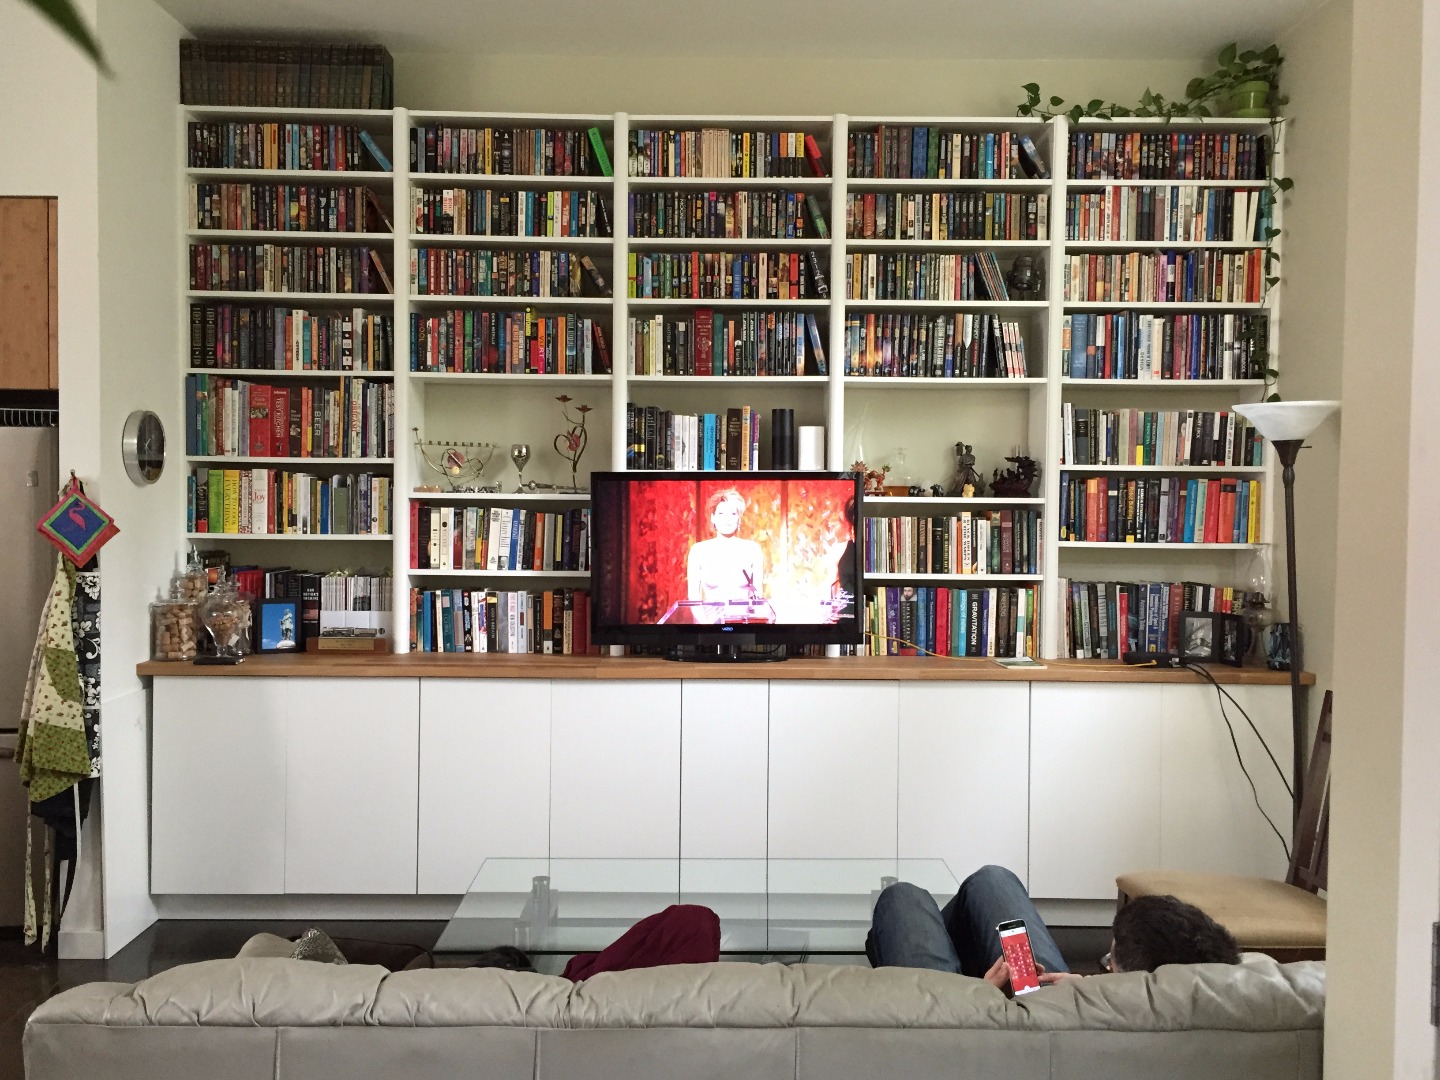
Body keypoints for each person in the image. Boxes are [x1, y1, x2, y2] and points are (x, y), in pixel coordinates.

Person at [866, 865, 1239, 993]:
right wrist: (1085, 988)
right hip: (1040, 992)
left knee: (902, 898)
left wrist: (978, 996)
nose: (1100, 969)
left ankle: (953, 972)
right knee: (992, 879)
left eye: (1109, 965)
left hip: (963, 1013)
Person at [687, 488, 764, 603]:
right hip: (710, 614)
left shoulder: (752, 550)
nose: (727, 519)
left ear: (738, 519)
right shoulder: (699, 551)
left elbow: (758, 596)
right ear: (713, 517)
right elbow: (693, 598)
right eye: (721, 513)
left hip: (743, 614)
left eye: (732, 514)